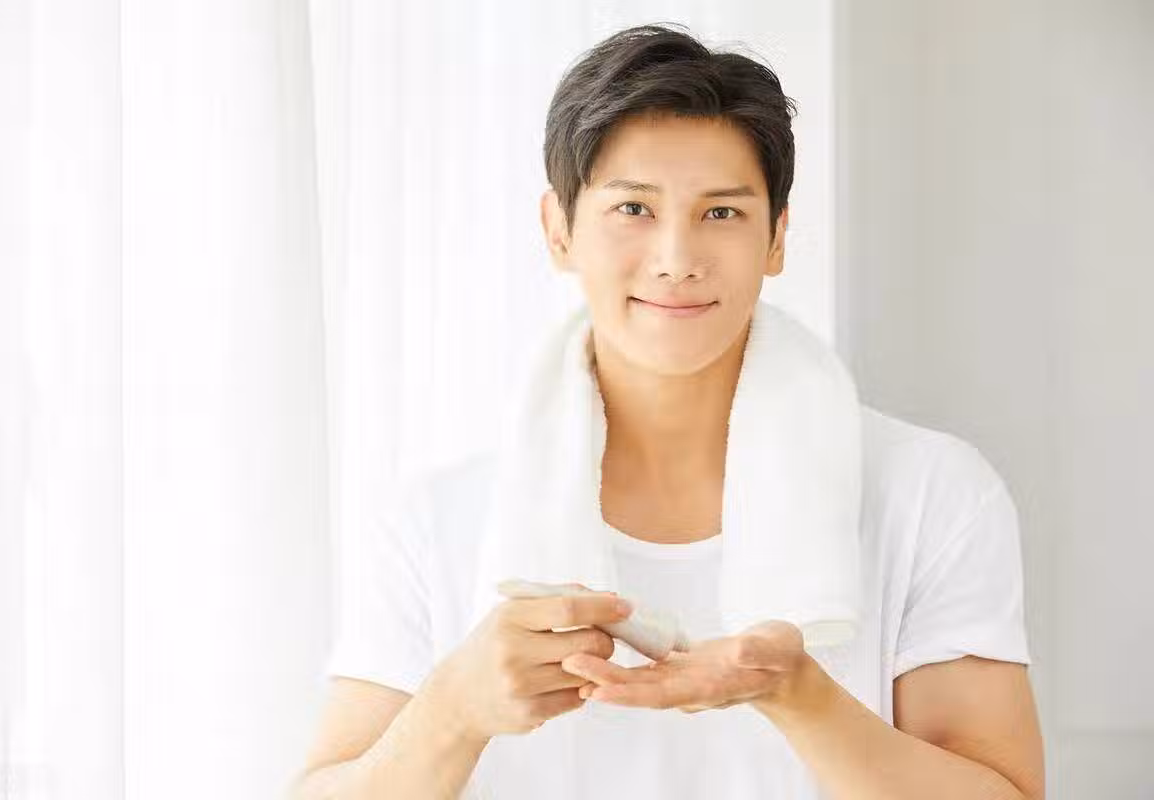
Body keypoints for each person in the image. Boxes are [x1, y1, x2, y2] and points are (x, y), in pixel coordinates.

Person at [291, 22, 1045, 800]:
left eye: (722, 213)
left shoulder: (932, 494)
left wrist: (802, 697)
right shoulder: (434, 523)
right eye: (633, 208)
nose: (677, 259)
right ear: (558, 230)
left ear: (777, 238)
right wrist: (451, 713)